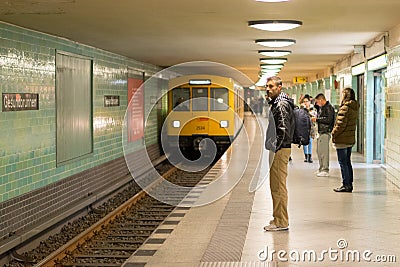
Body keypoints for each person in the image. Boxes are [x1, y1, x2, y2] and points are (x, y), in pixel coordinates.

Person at [264, 76, 295, 231]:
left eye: (271, 86)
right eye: (267, 86)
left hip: (280, 149)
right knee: (275, 185)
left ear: (279, 87)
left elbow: (283, 129)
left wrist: (275, 147)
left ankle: (281, 221)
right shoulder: (278, 102)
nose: (268, 89)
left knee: (278, 186)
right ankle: (278, 217)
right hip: (280, 148)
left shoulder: (281, 104)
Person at [332, 88, 359, 192]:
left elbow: (340, 125)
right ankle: (349, 183)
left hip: (342, 139)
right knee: (347, 162)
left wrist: (333, 133)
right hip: (349, 139)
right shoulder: (354, 107)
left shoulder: (345, 108)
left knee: (343, 162)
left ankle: (346, 184)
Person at [311, 93, 335, 177]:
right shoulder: (321, 108)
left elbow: (328, 120)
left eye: (317, 102)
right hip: (321, 132)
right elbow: (316, 107)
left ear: (321, 100)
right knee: (319, 151)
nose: (316, 104)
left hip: (326, 132)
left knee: (324, 152)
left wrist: (317, 119)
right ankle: (321, 168)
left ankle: (325, 169)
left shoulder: (329, 108)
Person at [301, 95, 317, 163]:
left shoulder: (313, 109)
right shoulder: (301, 110)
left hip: (311, 127)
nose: (305, 103)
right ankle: (306, 156)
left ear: (309, 102)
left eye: (306, 101)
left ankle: (310, 156)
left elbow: (314, 117)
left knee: (310, 141)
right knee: (305, 142)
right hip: (303, 127)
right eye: (304, 101)